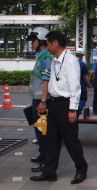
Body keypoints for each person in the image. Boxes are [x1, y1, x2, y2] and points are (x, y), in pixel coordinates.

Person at [31, 31, 88, 184]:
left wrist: (72, 110)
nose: (47, 46)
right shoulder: (53, 60)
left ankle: (81, 169)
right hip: (53, 104)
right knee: (51, 140)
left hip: (66, 105)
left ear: (55, 43)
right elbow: (49, 82)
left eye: (48, 43)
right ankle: (49, 172)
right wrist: (44, 101)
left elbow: (75, 87)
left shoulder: (71, 61)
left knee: (71, 140)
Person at [27, 27, 52, 173]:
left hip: (41, 101)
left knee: (43, 132)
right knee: (39, 130)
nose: (31, 44)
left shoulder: (47, 57)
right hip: (36, 99)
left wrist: (43, 101)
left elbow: (46, 81)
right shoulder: (41, 56)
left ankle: (46, 162)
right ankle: (43, 156)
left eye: (33, 41)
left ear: (41, 41)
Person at [75, 48, 90, 116]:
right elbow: (85, 77)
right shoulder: (82, 64)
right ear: (81, 55)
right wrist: (89, 84)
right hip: (80, 85)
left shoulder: (70, 63)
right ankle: (78, 110)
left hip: (69, 86)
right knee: (82, 98)